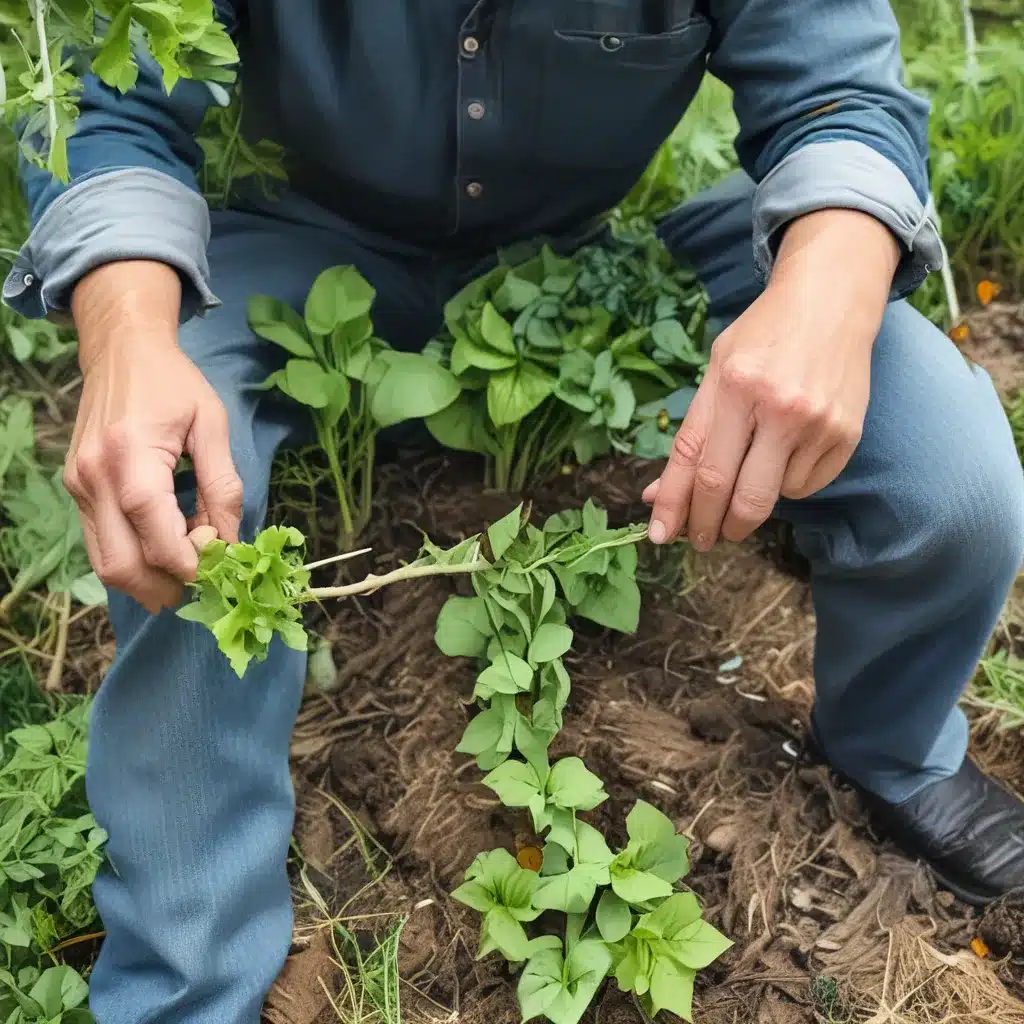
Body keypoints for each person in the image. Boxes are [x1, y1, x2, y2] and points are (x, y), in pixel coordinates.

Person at [5, 2, 1023, 1021]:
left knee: (948, 468)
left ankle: (894, 747)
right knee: (176, 487)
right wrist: (126, 333)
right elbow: (109, 109)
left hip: (573, 273)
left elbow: (838, 93)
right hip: (284, 262)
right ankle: (189, 973)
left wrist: (826, 293)